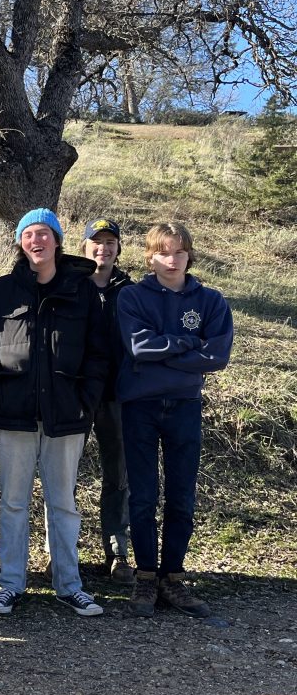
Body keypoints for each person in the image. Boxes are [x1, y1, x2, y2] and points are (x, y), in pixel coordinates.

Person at [0, 208, 109, 617]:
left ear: (57, 241)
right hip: (14, 415)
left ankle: (69, 585)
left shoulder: (82, 290)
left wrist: (85, 401)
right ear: (21, 243)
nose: (37, 241)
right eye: (29, 235)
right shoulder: (0, 290)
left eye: (44, 234)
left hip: (66, 416)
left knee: (64, 503)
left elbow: (98, 352)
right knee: (14, 502)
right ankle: (10, 584)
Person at [117, 222, 233, 618]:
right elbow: (137, 345)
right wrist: (186, 343)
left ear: (189, 256)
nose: (172, 259)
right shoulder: (131, 296)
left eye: (179, 252)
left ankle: (173, 577)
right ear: (150, 256)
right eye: (164, 252)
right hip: (140, 407)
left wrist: (161, 349)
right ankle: (146, 576)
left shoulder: (211, 301)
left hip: (184, 405)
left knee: (182, 495)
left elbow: (217, 355)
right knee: (144, 495)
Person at [81, 217, 135, 584]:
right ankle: (61, 552)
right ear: (84, 247)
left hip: (118, 395)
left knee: (117, 477)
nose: (104, 247)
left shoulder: (131, 291)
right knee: (63, 476)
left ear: (118, 248)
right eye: (96, 241)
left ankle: (117, 553)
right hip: (77, 394)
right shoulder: (71, 285)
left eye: (110, 241)